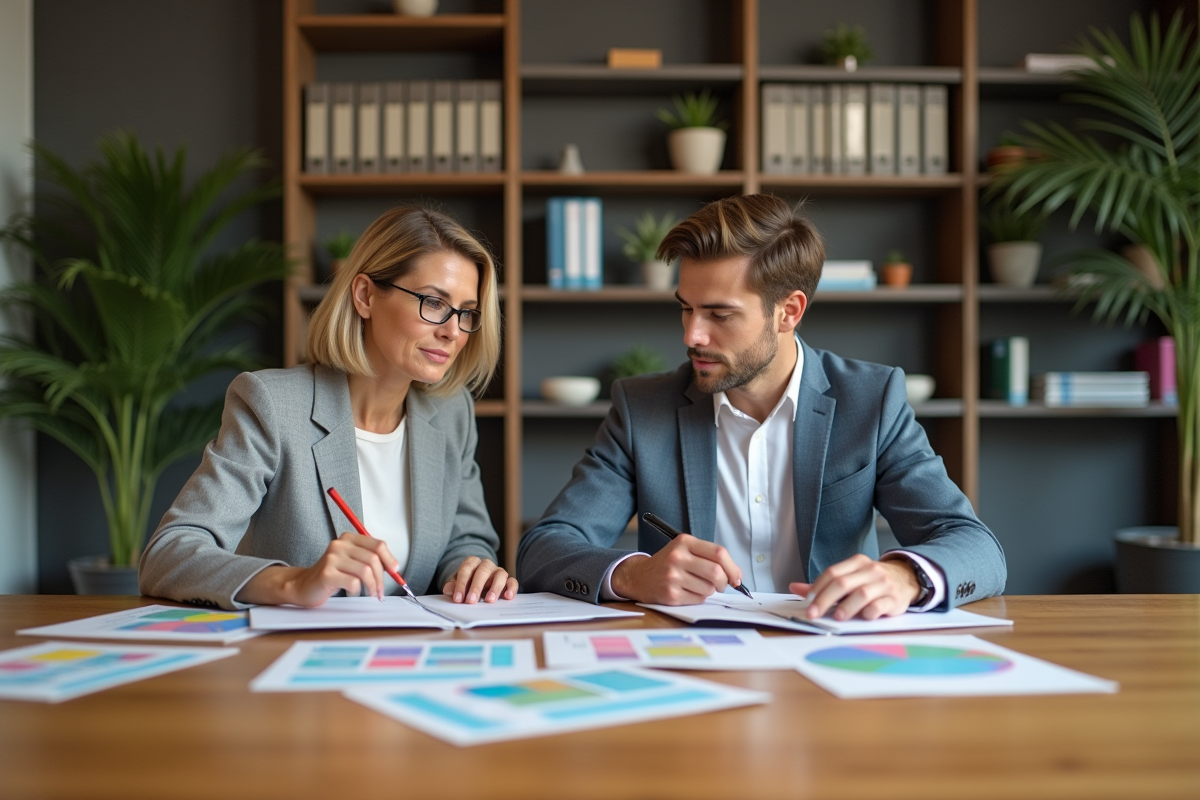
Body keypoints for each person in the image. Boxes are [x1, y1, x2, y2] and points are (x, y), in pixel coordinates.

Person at [517, 194, 1005, 620]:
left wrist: (903, 578)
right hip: (694, 667)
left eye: (719, 314)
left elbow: (977, 547)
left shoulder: (870, 401)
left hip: (832, 660)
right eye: (686, 307)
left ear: (788, 311)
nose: (692, 335)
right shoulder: (643, 408)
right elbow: (544, 547)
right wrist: (632, 575)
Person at [140, 206, 517, 610]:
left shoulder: (451, 412)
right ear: (365, 296)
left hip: (414, 656)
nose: (452, 331)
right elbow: (169, 554)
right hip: (297, 658)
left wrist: (470, 571)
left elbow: (466, 539)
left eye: (467, 313)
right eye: (434, 303)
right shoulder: (273, 404)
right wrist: (294, 582)